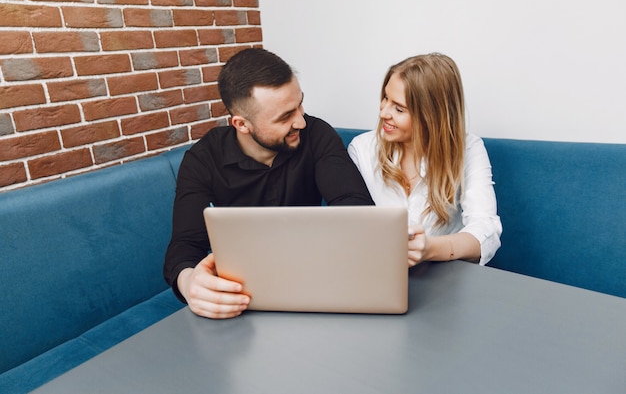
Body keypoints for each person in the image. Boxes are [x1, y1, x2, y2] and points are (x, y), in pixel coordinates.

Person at [163, 48, 374, 319]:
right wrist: (190, 282)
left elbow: (355, 206)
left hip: (315, 278)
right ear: (242, 124)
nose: (301, 120)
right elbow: (184, 245)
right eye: (285, 116)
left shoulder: (317, 134)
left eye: (300, 104)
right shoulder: (203, 159)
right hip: (244, 296)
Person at [348, 53, 502, 267]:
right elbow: (352, 230)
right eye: (385, 98)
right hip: (381, 273)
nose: (383, 112)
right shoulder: (363, 149)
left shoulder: (468, 149)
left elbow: (486, 231)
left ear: (431, 117)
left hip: (446, 280)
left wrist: (429, 248)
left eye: (399, 109)